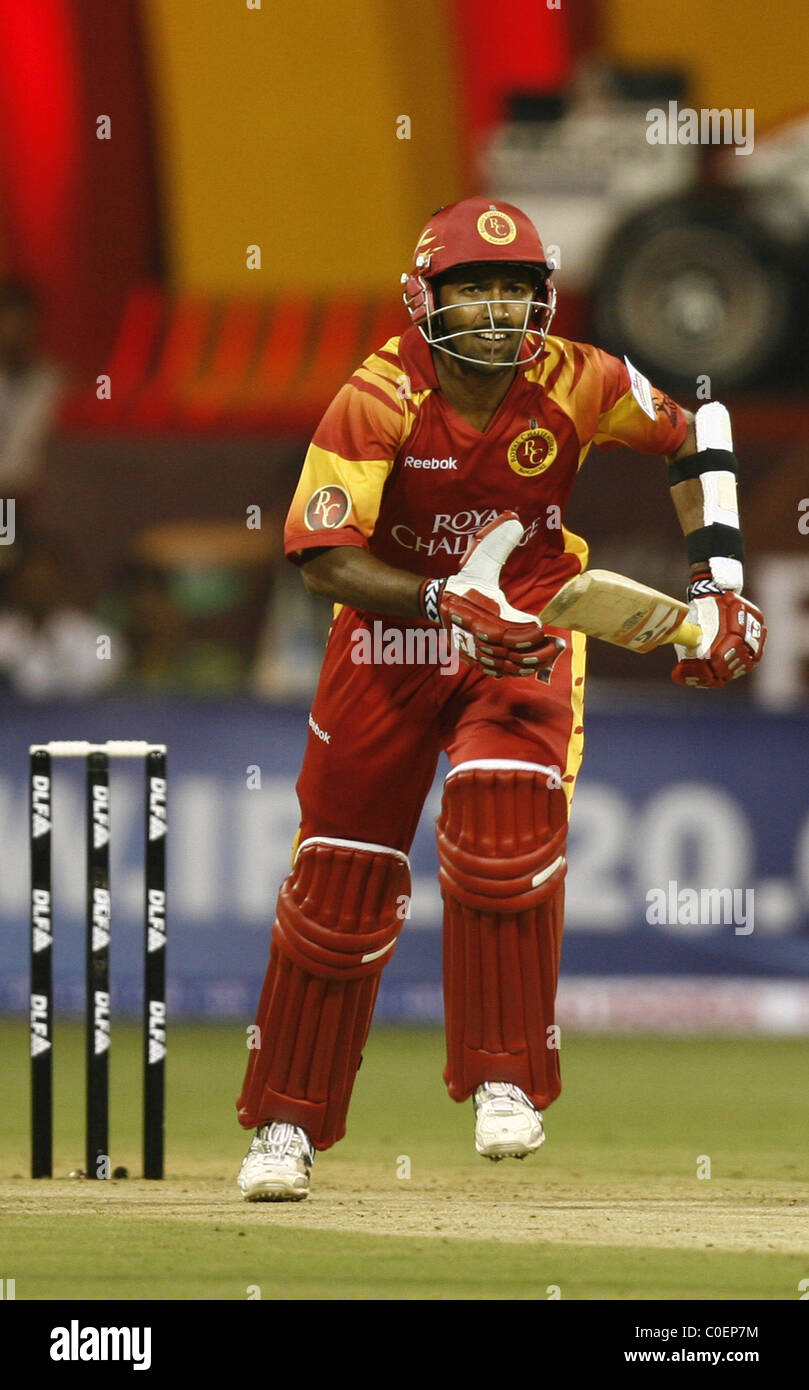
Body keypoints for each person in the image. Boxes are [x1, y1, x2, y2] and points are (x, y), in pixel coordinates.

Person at [235, 196, 766, 1201]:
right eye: (472, 290)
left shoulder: (578, 377)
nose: (493, 311)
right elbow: (321, 560)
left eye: (514, 291)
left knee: (501, 824)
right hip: (393, 636)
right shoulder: (377, 394)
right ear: (425, 300)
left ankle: (504, 1077)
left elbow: (694, 433)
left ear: (542, 302)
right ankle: (284, 1125)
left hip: (522, 626)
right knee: (337, 889)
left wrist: (720, 585)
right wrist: (439, 597)